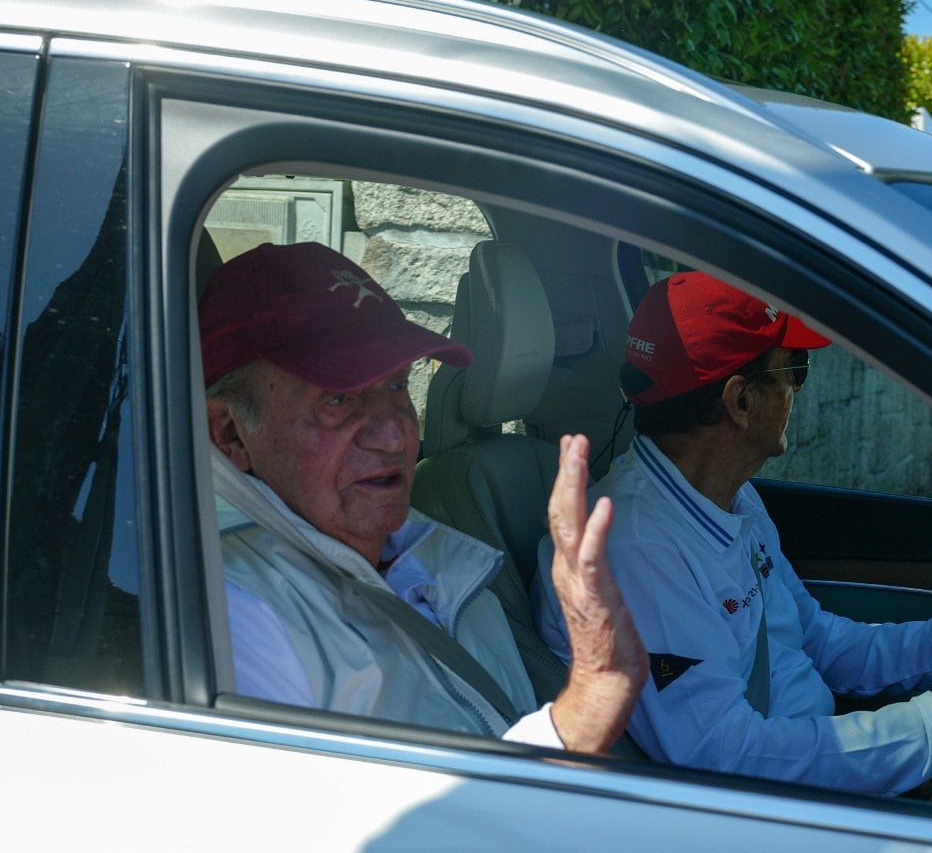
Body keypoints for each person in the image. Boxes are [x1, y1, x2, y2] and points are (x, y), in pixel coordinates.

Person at [534, 271, 932, 806]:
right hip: (793, 811)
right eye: (794, 369)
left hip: (821, 759)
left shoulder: (731, 500)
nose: (799, 388)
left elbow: (816, 640)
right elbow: (726, 756)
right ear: (739, 401)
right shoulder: (639, 549)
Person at [201, 241, 645, 753]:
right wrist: (586, 707)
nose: (396, 435)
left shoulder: (433, 554)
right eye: (338, 399)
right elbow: (374, 832)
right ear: (230, 433)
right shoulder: (233, 611)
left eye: (397, 386)